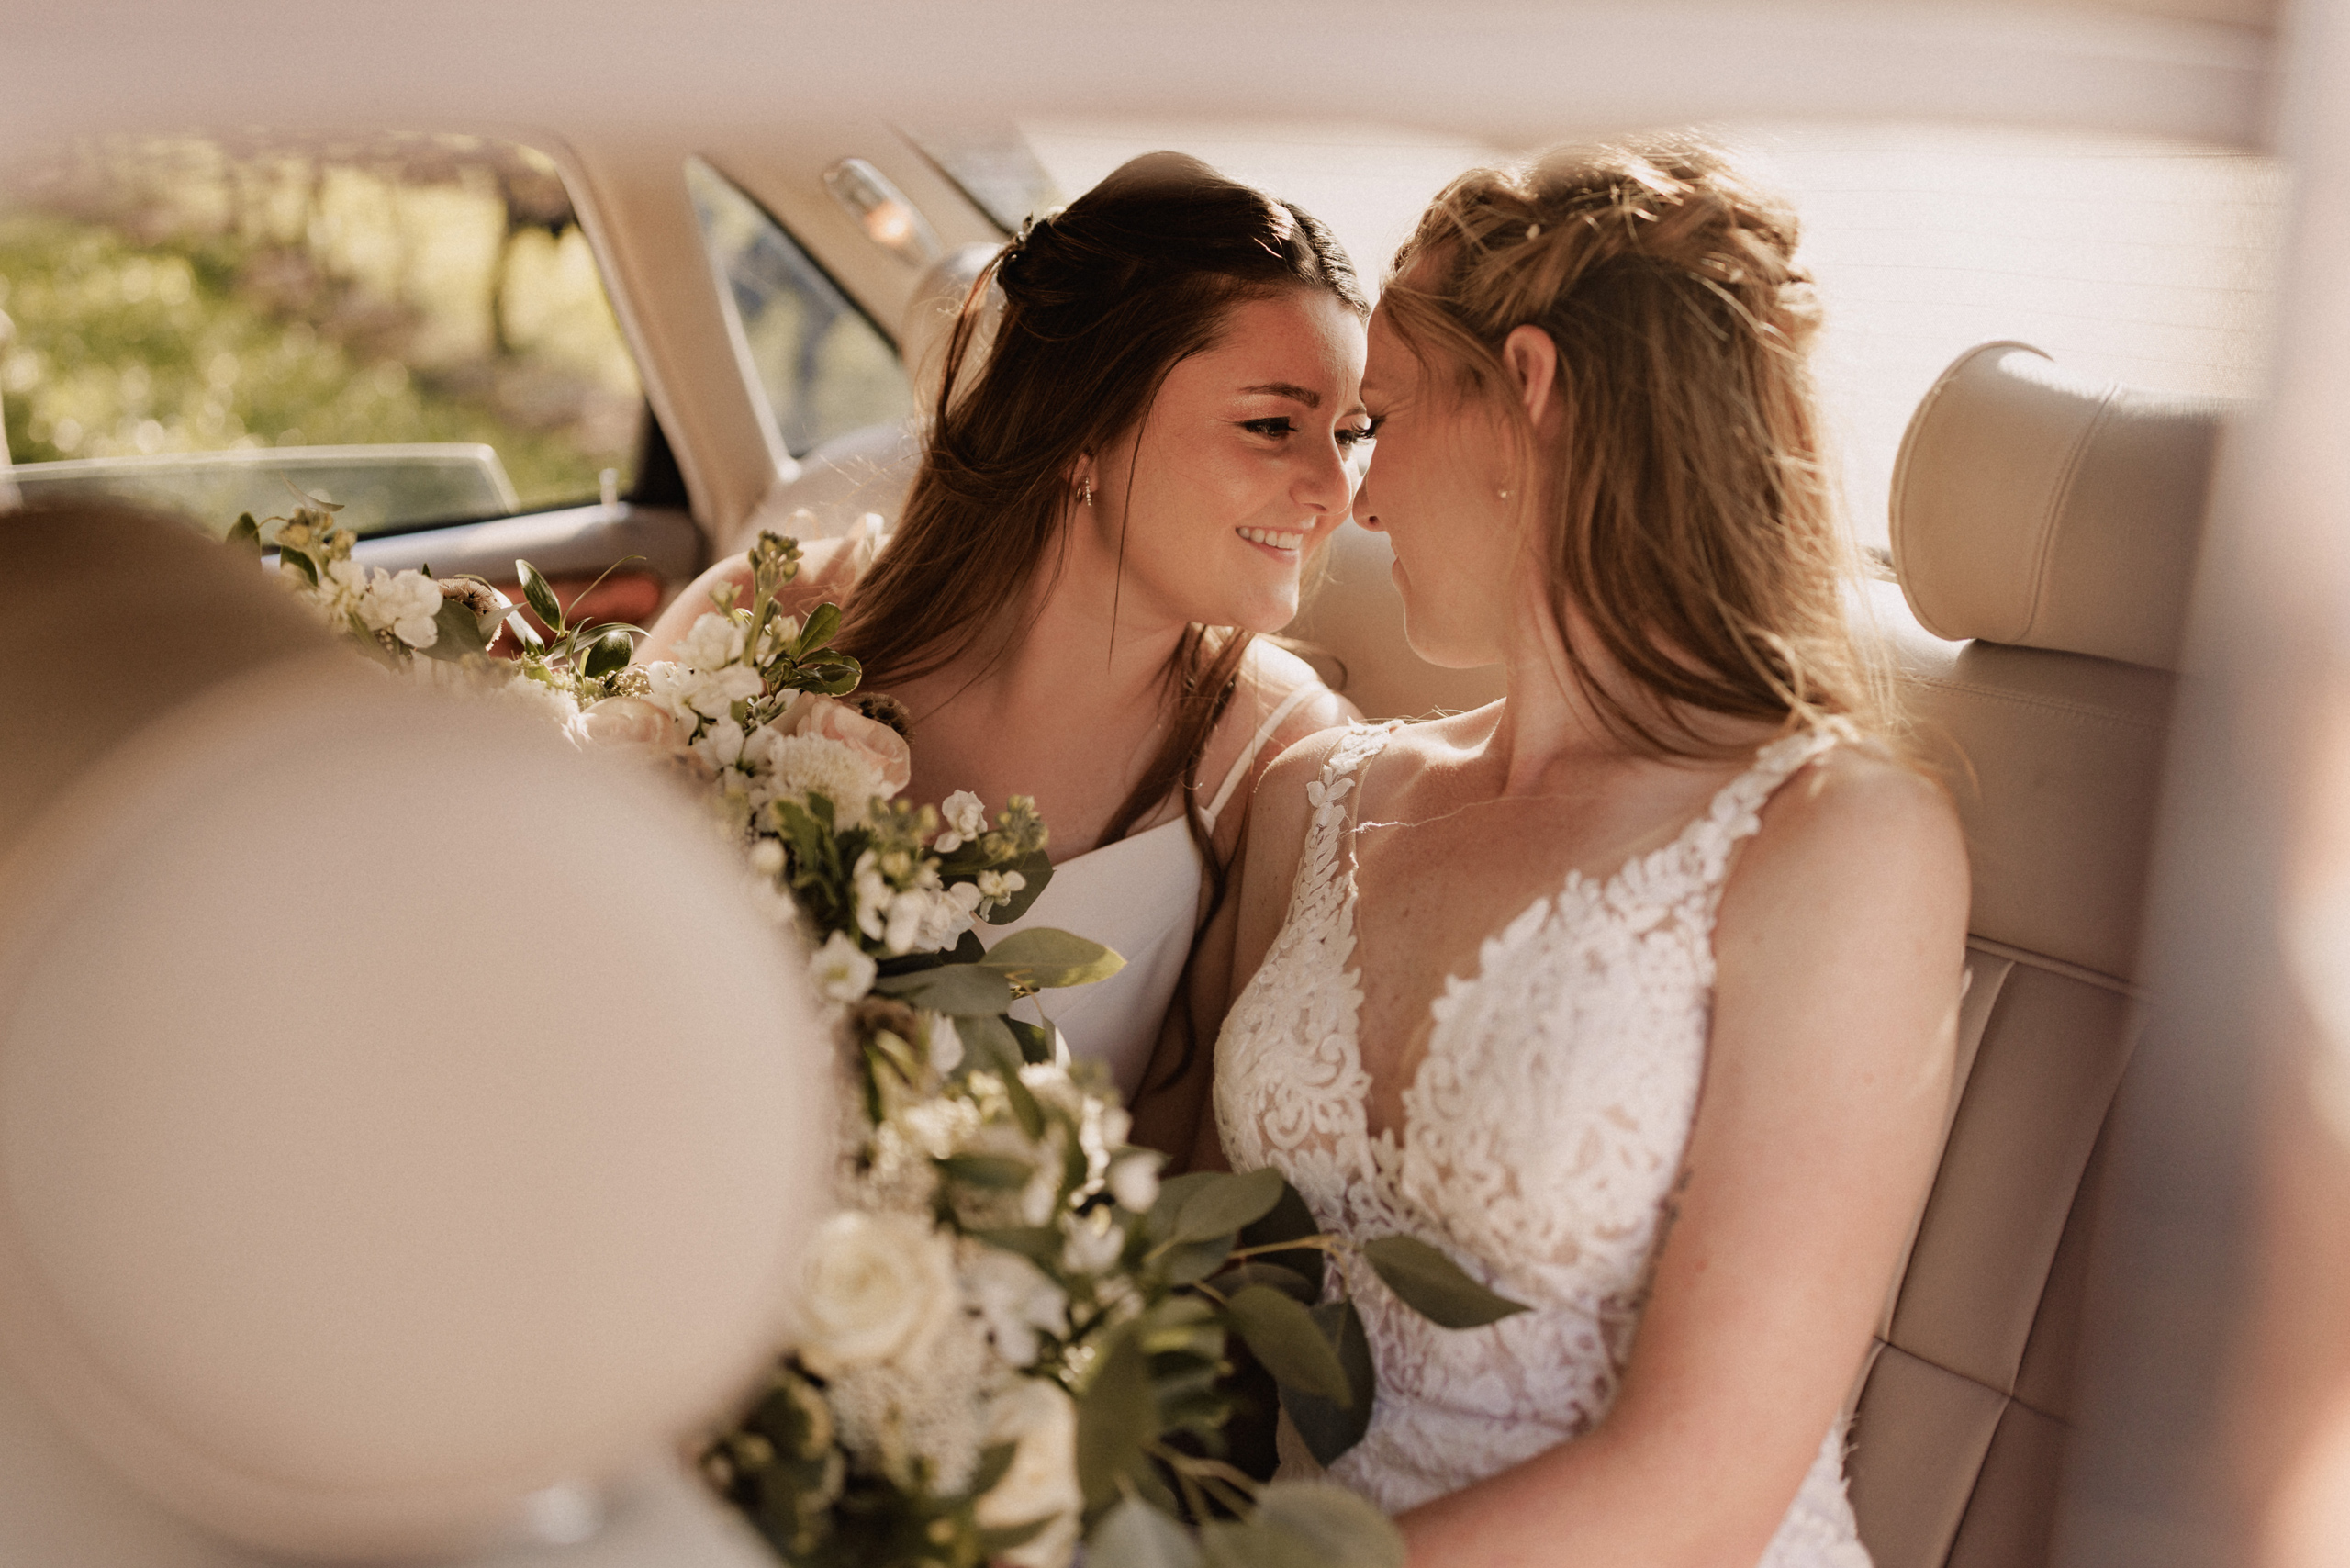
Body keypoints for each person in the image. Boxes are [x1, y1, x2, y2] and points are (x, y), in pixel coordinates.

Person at [1207, 138, 1968, 1564]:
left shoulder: (1839, 842)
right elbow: (1216, 1300)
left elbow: (1699, 1484)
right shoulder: (1316, 799)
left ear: (1532, 392)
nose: (1356, 501)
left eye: (1383, 416)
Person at [644, 152, 1365, 1116]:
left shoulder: (1283, 766)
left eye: (1352, 434)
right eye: (1275, 424)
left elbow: (1183, 1152)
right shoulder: (759, 620)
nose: (1333, 492)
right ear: (1085, 423)